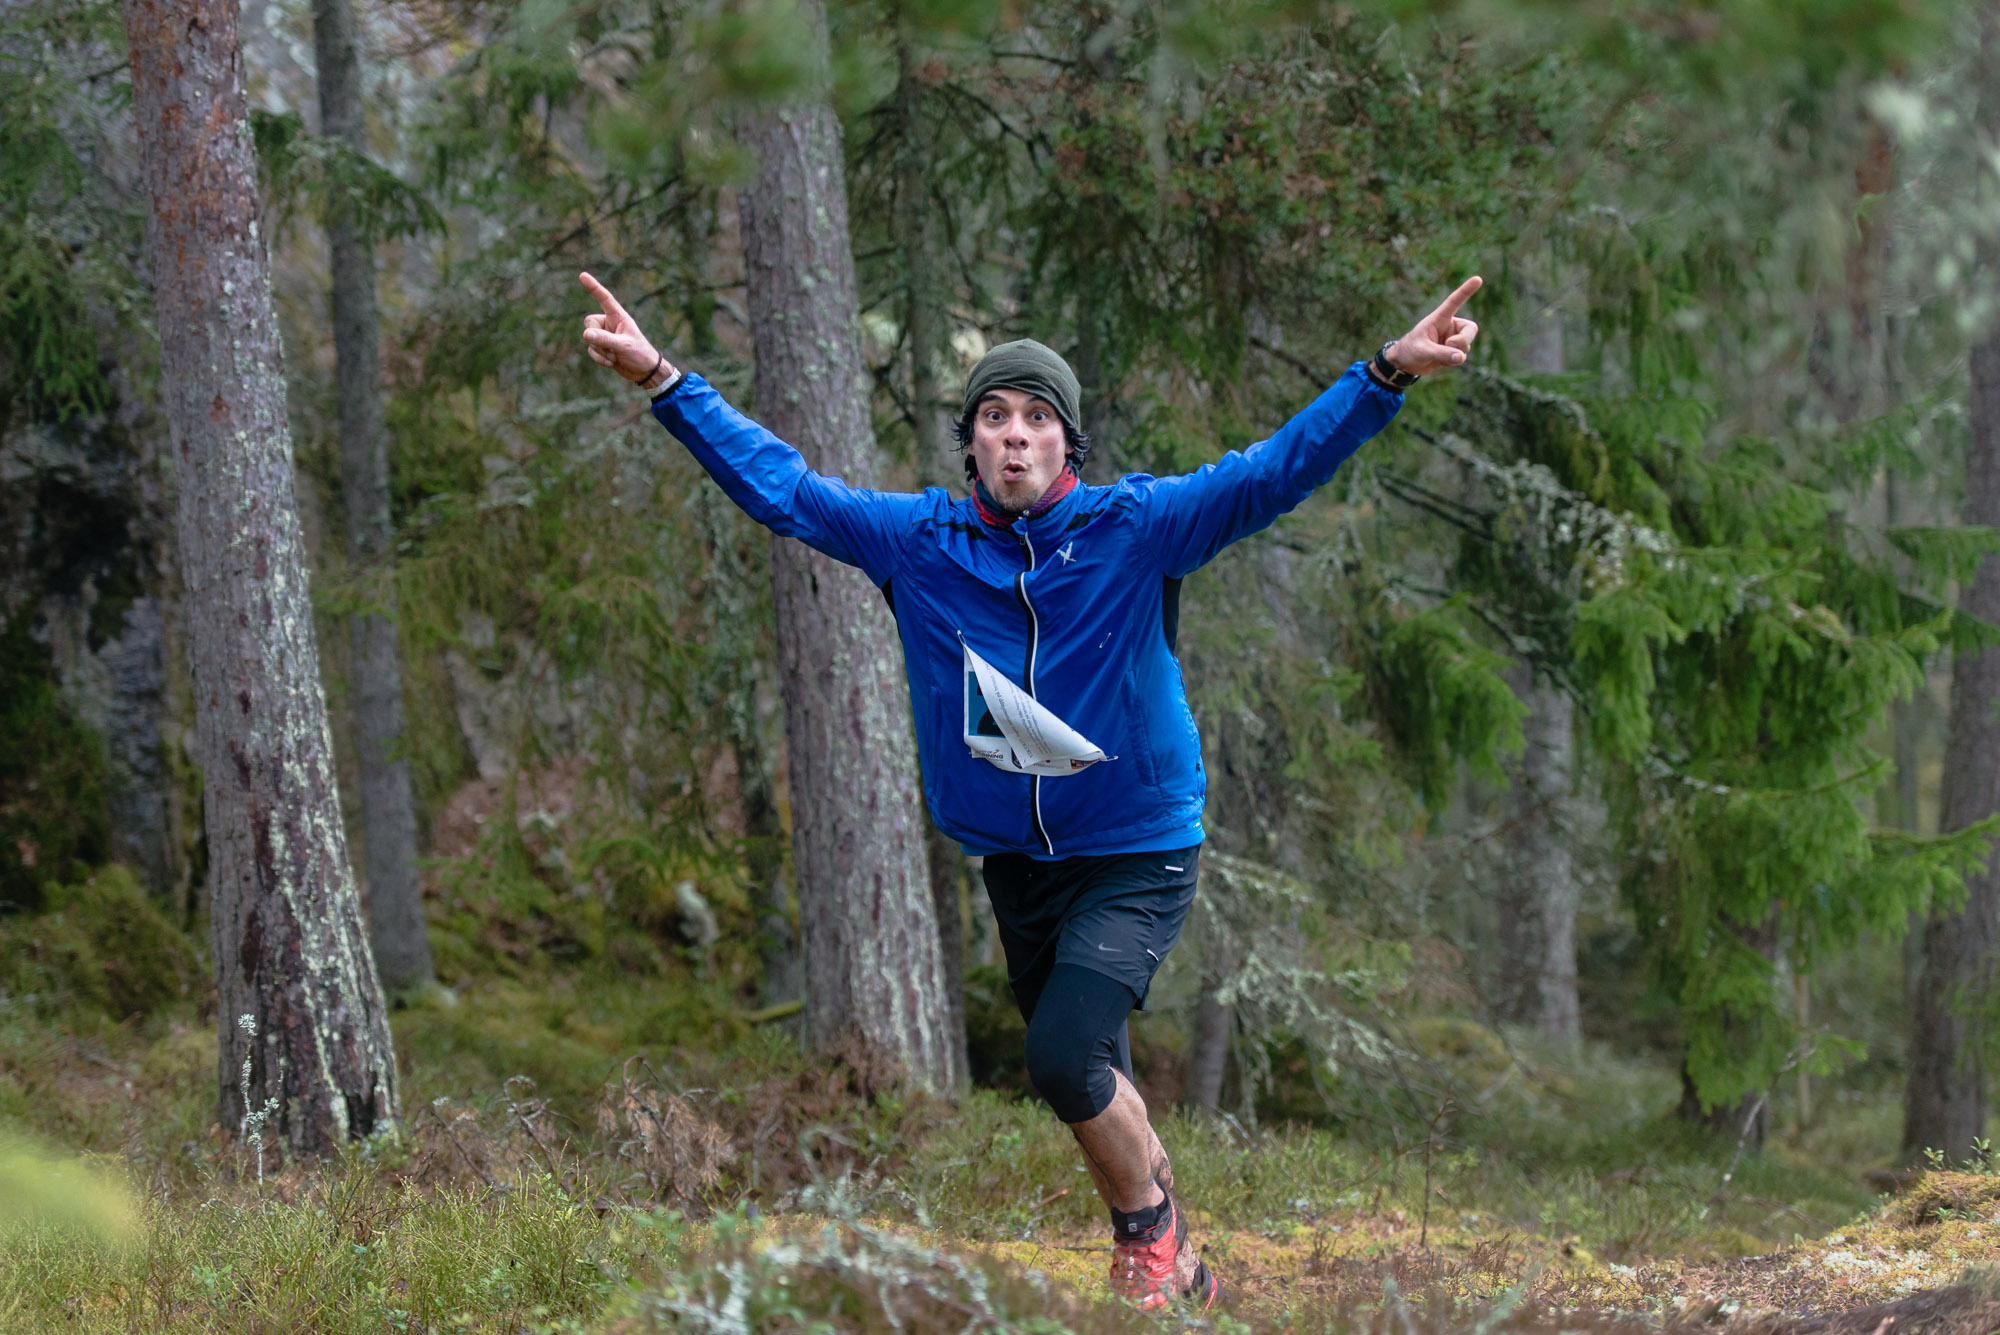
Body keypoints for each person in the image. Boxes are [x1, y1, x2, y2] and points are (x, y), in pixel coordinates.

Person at [580, 269, 1480, 1310]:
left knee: (1058, 1059)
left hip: (1137, 843)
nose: (1014, 436)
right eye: (994, 417)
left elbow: (1271, 473)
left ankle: (1144, 1238)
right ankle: (1181, 1264)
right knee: (1089, 1063)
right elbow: (784, 488)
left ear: (1067, 446)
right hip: (1015, 859)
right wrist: (662, 380)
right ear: (970, 442)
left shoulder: (1135, 529)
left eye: (1037, 419)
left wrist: (1383, 376)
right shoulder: (916, 544)